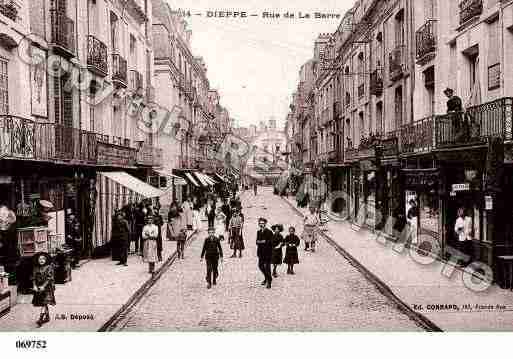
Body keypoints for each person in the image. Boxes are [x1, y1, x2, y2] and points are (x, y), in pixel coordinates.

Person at [32, 252, 56, 327]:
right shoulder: (35, 268)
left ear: (46, 260)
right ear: (38, 260)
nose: (41, 260)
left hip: (47, 288)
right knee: (43, 302)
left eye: (43, 259)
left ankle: (40, 319)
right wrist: (34, 286)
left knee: (44, 302)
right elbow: (33, 278)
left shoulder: (49, 267)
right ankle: (47, 317)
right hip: (39, 288)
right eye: (40, 259)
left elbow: (49, 278)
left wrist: (43, 286)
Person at [256, 217, 274, 289]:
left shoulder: (269, 232)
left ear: (265, 224)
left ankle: (269, 282)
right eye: (260, 223)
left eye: (262, 223)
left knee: (267, 267)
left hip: (268, 252)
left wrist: (264, 241)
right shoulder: (258, 232)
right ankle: (266, 277)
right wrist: (259, 242)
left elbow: (271, 241)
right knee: (260, 266)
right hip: (260, 252)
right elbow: (257, 241)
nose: (261, 225)